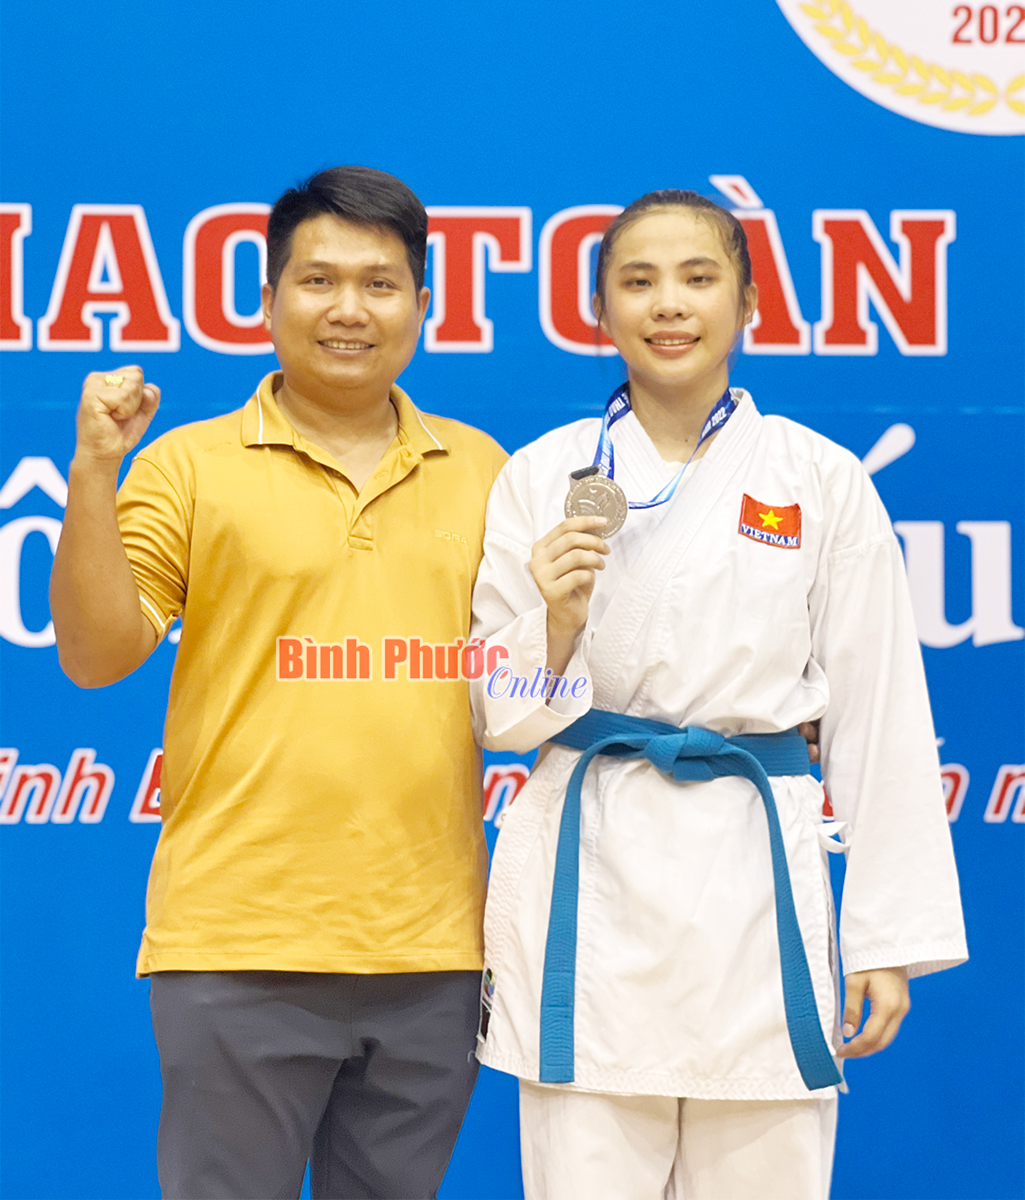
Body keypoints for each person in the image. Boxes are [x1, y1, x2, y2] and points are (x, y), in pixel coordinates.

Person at [469, 189, 967, 1200]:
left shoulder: (820, 479)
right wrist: (553, 625)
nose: (668, 303)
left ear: (747, 303)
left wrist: (885, 938)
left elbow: (877, 713)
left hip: (755, 885)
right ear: (598, 310)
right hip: (592, 881)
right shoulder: (540, 474)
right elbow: (498, 717)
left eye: (697, 278)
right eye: (637, 280)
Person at [49, 166, 509, 1200]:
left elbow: (536, 680)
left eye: (379, 284)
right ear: (265, 300)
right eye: (318, 280)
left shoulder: (485, 471)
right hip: (238, 942)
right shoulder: (188, 465)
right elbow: (94, 653)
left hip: (431, 952)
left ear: (422, 305)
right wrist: (93, 472)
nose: (348, 309)